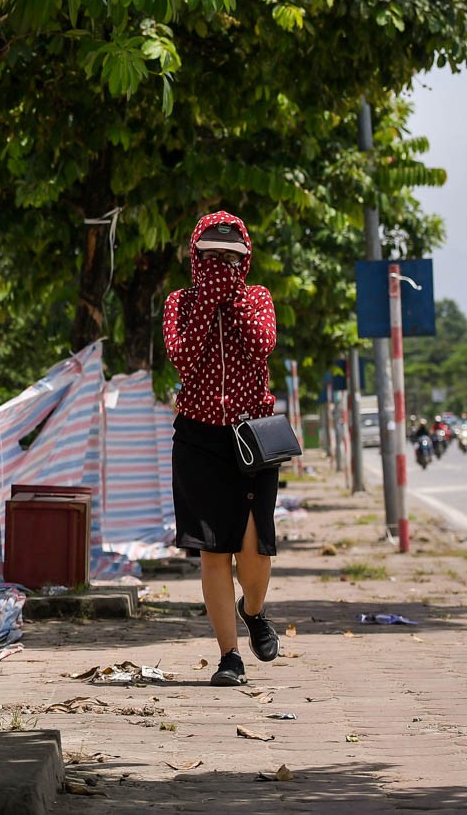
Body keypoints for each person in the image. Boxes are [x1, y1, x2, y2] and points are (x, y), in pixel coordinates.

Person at [162, 212, 280, 688]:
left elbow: (261, 346)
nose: (218, 268)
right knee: (214, 551)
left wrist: (229, 301)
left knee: (253, 549)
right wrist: (207, 302)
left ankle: (253, 611)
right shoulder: (180, 303)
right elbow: (184, 360)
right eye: (209, 258)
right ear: (195, 257)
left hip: (251, 437)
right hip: (197, 436)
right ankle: (229, 656)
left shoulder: (258, 299)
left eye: (229, 259)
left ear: (245, 261)